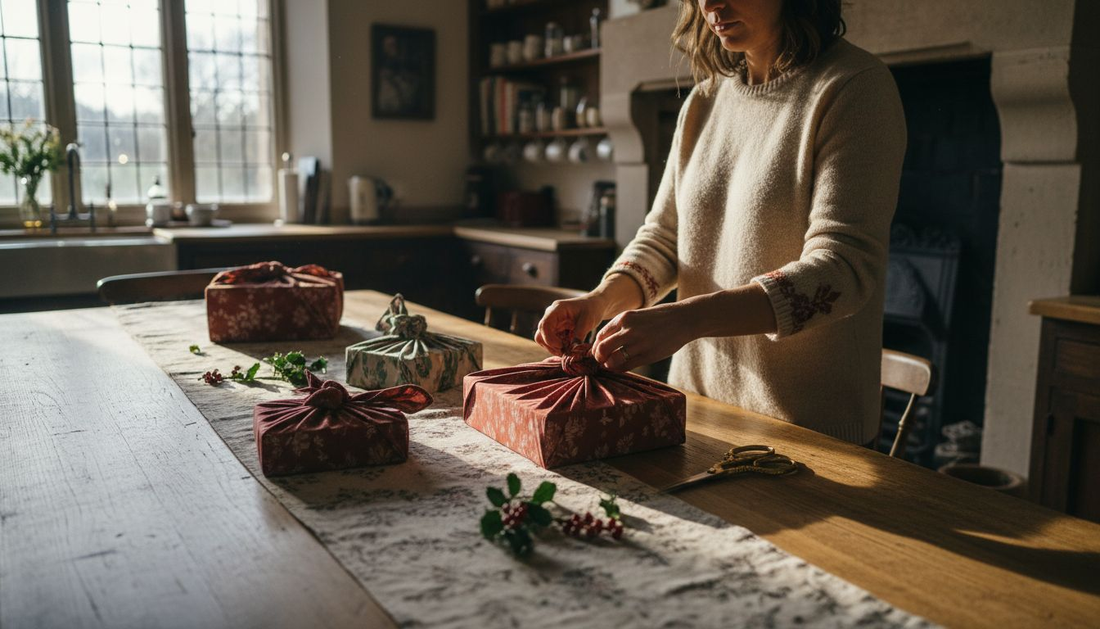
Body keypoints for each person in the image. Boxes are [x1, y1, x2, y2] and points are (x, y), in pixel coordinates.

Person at [535, 0, 906, 445]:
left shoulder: (854, 87)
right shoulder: (705, 100)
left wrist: (687, 319)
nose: (710, 4)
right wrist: (600, 301)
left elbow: (843, 270)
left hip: (806, 431)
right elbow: (665, 238)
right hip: (695, 411)